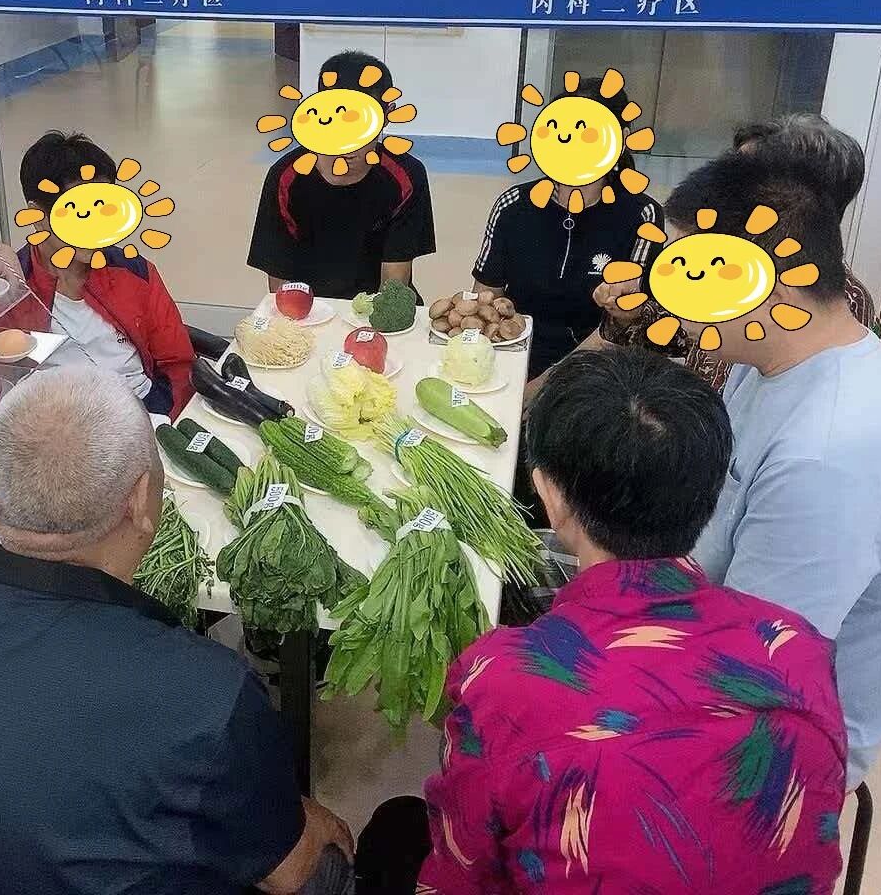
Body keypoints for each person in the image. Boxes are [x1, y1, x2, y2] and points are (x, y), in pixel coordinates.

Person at [358, 349, 847, 893]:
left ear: (548, 494)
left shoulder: (503, 682)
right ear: (708, 498)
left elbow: (464, 874)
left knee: (393, 831)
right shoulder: (795, 648)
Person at [0, 366, 355, 895]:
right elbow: (288, 872)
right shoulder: (205, 691)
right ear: (139, 500)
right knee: (352, 848)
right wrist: (314, 818)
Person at [662, 150, 881, 787]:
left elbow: (749, 668)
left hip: (777, 738)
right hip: (723, 623)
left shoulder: (829, 455)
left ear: (780, 288)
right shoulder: (770, 359)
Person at [597, 113, 881, 392]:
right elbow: (678, 331)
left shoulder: (838, 306)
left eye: (745, 180)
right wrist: (631, 314)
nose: (723, 190)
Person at [473, 77, 663, 379]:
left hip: (598, 370)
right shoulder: (513, 205)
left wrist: (540, 389)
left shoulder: (642, 216)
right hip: (515, 351)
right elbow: (485, 297)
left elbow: (624, 328)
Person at [0, 130, 196, 418]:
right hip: (58, 424)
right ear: (38, 217)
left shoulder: (135, 272)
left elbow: (178, 365)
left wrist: (165, 423)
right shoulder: (13, 288)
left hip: (145, 411)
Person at [248, 50, 435, 300]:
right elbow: (280, 282)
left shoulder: (407, 177)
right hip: (312, 308)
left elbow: (394, 284)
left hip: (376, 305)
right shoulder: (285, 177)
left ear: (388, 114)